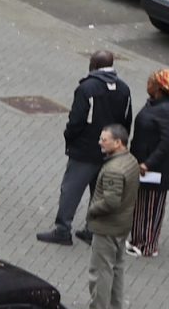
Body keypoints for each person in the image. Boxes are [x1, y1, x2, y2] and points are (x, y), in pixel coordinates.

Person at [37, 50, 130, 244]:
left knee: (71, 190)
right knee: (99, 192)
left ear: (94, 65)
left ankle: (63, 231)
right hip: (110, 152)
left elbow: (77, 120)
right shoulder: (124, 89)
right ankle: (91, 230)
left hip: (85, 150)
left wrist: (69, 136)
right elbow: (126, 122)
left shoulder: (87, 88)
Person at [83, 124, 140, 309]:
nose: (100, 142)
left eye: (104, 139)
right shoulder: (131, 161)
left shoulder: (114, 169)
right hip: (123, 225)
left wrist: (92, 209)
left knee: (101, 270)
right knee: (117, 266)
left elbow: (111, 202)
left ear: (118, 142)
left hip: (107, 226)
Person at [130, 69, 169, 258]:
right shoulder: (154, 103)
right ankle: (137, 240)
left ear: (158, 87)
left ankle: (148, 245)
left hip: (157, 168)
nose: (147, 85)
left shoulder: (167, 110)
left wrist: (148, 163)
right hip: (144, 163)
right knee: (140, 201)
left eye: (149, 82)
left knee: (152, 205)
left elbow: (166, 142)